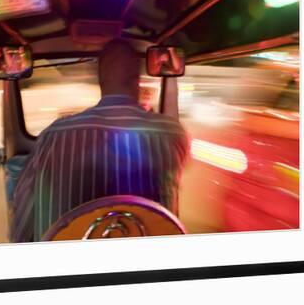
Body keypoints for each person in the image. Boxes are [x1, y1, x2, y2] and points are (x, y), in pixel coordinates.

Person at [10, 39, 190, 242]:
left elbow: (23, 216)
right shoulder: (171, 133)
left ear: (100, 81)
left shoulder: (54, 134)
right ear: (137, 81)